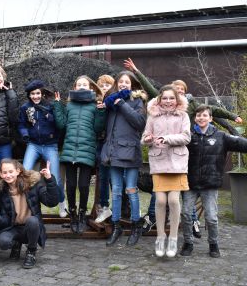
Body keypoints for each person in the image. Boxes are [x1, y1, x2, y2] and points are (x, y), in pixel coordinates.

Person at [124, 57, 243, 236]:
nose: (178, 92)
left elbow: (213, 111)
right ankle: (152, 217)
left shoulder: (192, 105)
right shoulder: (164, 104)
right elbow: (149, 88)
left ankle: (192, 219)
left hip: (186, 149)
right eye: (175, 89)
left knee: (185, 188)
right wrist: (136, 71)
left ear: (185, 92)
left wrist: (233, 117)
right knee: (161, 191)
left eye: (181, 90)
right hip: (165, 153)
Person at [180, 105, 247, 258]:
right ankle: (188, 243)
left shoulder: (221, 136)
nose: (201, 118)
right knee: (185, 214)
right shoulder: (189, 137)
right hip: (190, 183)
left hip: (210, 184)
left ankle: (213, 244)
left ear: (210, 118)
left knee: (211, 217)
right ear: (195, 119)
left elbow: (241, 143)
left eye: (204, 115)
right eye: (198, 115)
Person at [141, 85, 191, 257]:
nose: (168, 101)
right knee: (161, 201)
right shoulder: (153, 116)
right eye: (165, 98)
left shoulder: (183, 116)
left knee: (174, 201)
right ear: (160, 99)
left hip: (177, 163)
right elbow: (145, 137)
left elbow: (186, 137)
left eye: (171, 98)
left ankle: (174, 237)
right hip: (159, 162)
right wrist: (147, 140)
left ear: (176, 100)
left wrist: (167, 138)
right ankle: (161, 236)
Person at [53, 75, 106, 234]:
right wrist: (57, 105)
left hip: (86, 149)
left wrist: (101, 112)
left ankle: (83, 213)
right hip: (70, 150)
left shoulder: (95, 105)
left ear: (90, 88)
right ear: (74, 88)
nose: (82, 86)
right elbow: (61, 124)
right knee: (70, 186)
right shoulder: (69, 105)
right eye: (79, 84)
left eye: (85, 84)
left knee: (83, 185)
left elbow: (98, 128)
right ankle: (73, 214)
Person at [101, 71, 147, 247]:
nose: (123, 84)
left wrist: (122, 104)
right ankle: (116, 226)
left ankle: (136, 225)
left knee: (131, 190)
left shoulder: (138, 101)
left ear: (132, 84)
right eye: (120, 82)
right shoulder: (111, 102)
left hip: (130, 152)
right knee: (117, 191)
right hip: (113, 152)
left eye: (126, 82)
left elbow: (139, 123)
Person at [0, 159, 59, 269]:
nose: (8, 175)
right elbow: (4, 218)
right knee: (3, 242)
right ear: (0, 174)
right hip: (13, 227)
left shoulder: (32, 185)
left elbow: (52, 202)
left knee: (33, 220)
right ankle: (16, 244)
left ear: (18, 171)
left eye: (11, 171)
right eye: (4, 172)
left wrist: (49, 179)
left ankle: (31, 251)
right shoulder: (1, 191)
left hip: (30, 226)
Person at [18, 79, 66, 218]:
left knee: (56, 177)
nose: (35, 96)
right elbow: (21, 124)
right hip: (33, 144)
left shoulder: (50, 106)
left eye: (38, 93)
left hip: (50, 145)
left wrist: (49, 114)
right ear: (29, 95)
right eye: (32, 94)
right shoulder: (25, 108)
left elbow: (59, 124)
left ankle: (62, 203)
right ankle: (26, 204)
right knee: (24, 172)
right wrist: (25, 134)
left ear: (42, 93)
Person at [95, 74, 115, 223]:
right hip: (100, 142)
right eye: (102, 85)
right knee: (103, 176)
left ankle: (121, 206)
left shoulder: (115, 102)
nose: (104, 88)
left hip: (113, 143)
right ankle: (104, 206)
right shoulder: (96, 102)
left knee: (117, 179)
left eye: (107, 85)